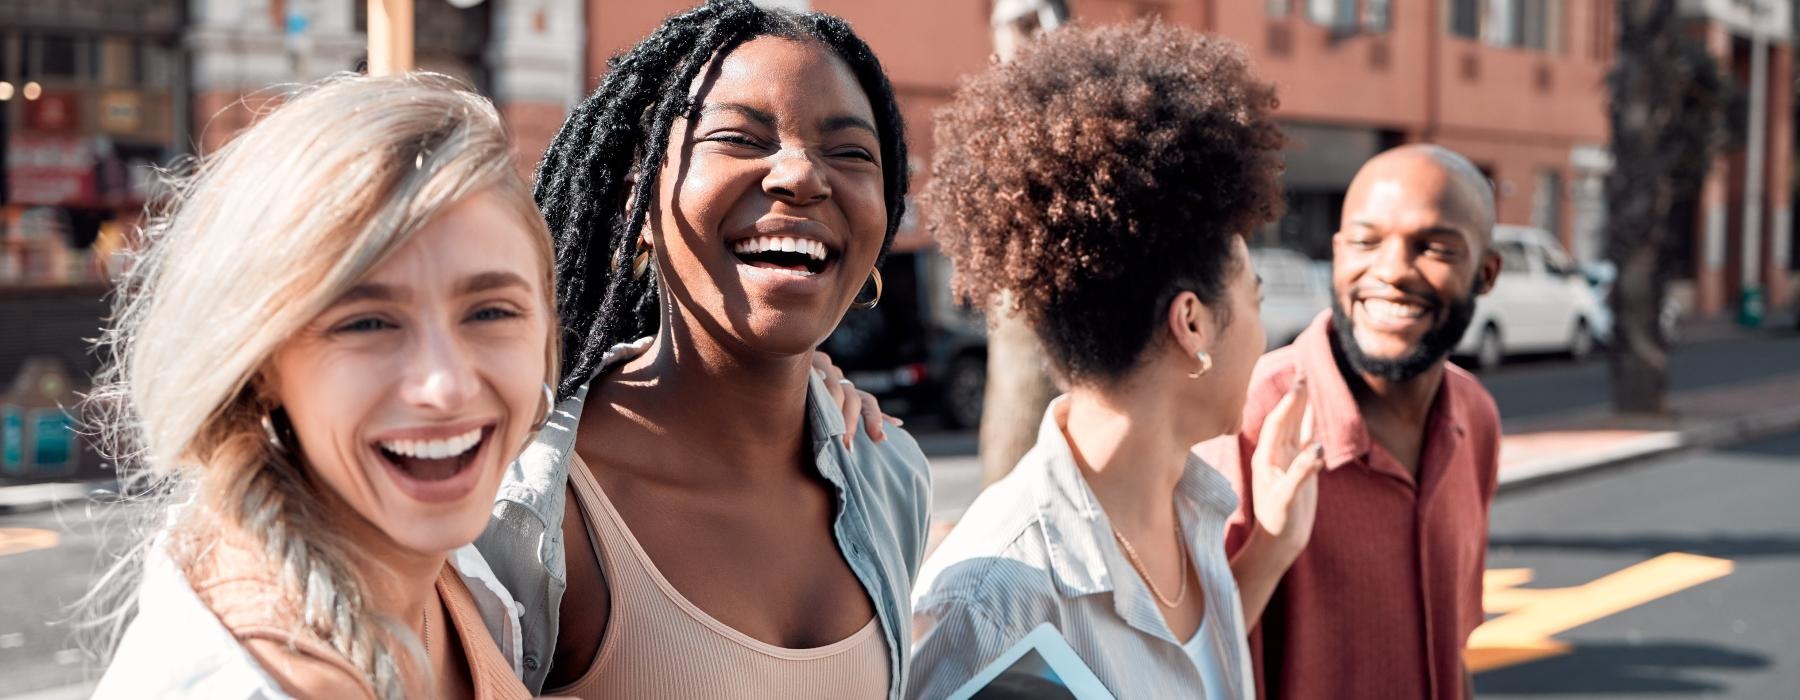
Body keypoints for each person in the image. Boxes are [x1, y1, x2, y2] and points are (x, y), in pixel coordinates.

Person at [472, 2, 931, 698]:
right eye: (741, 139)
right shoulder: (528, 507)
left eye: (850, 153)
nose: (801, 175)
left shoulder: (887, 474)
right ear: (637, 203)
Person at [86, 74, 553, 699]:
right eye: (366, 323)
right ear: (260, 363)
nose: (445, 387)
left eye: (491, 312)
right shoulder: (250, 682)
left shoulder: (447, 566)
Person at [907, 20, 1325, 699]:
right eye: (1257, 298)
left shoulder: (1193, 509)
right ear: (1192, 323)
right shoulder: (996, 601)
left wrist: (1269, 553)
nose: (1266, 333)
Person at [1195, 144, 1505, 699]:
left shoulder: (1476, 416)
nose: (1390, 271)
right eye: (1366, 242)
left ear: (1485, 273)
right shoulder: (1246, 418)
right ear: (1337, 253)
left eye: (1433, 247)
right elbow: (1183, 661)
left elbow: (1452, 647)